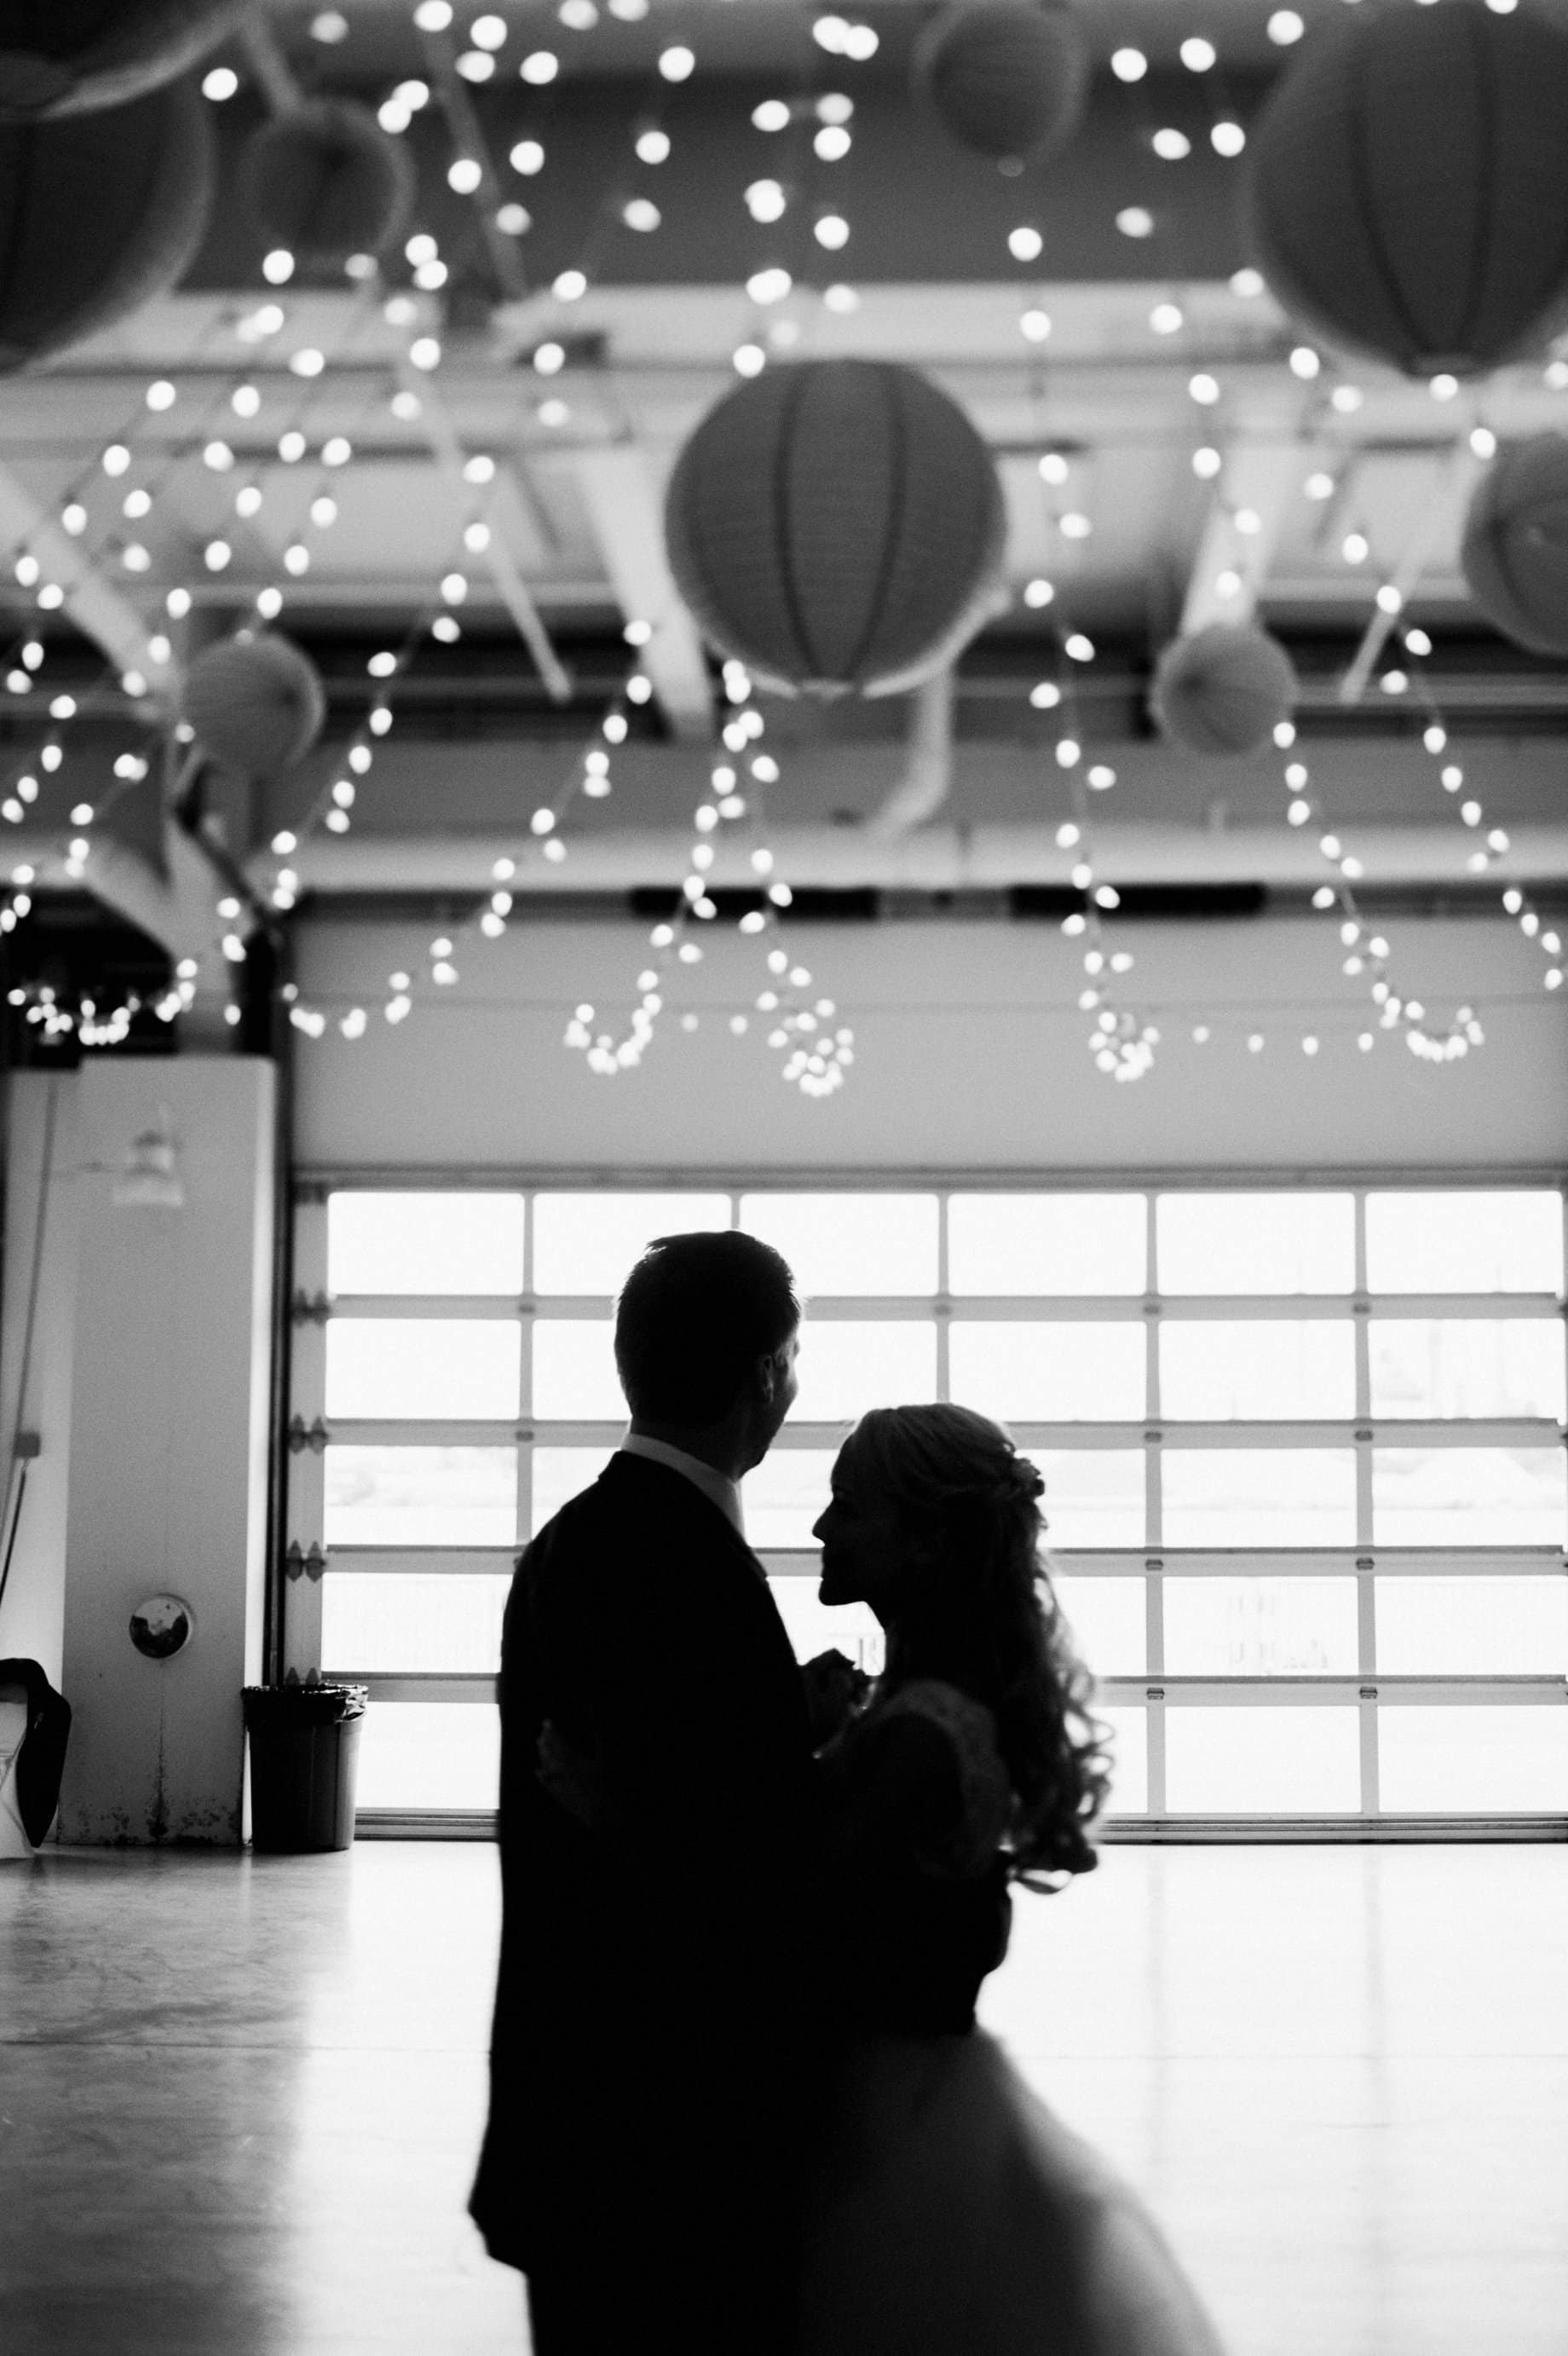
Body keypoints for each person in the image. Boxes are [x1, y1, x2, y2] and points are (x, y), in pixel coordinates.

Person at [798, 1403, 1226, 2356]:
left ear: (922, 1537)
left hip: (874, 2131)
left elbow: (796, 1917)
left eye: (847, 1505)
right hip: (932, 2105)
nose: (822, 1528)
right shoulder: (929, 1713)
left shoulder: (918, 1737)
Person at [469, 1229, 827, 2356]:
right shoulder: (683, 1562)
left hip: (578, 2110)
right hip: (665, 2132)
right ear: (768, 1377)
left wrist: (782, 1725)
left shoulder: (579, 1541)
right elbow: (707, 1854)